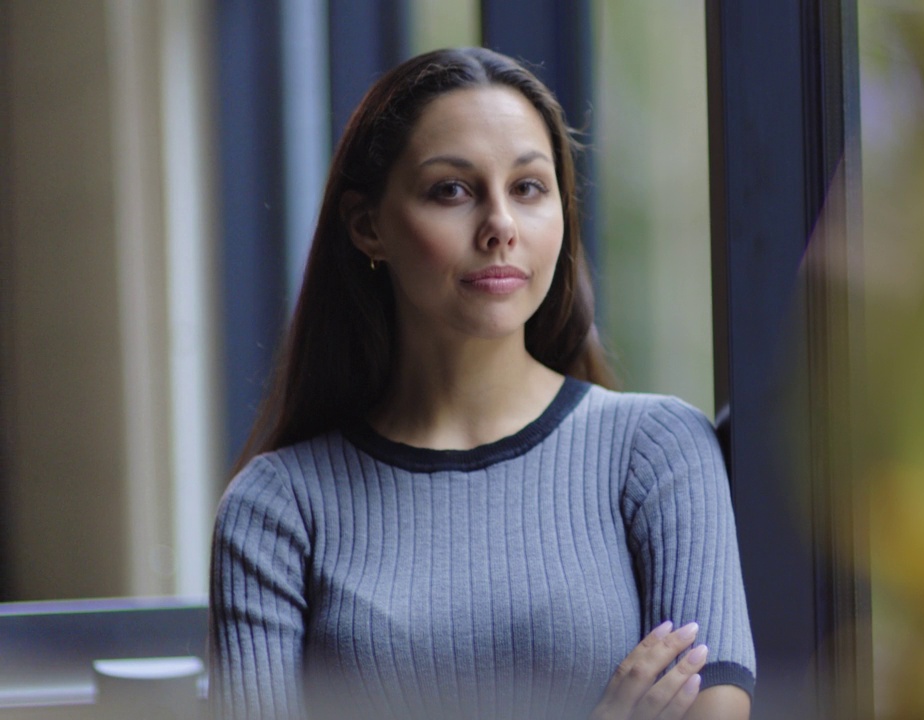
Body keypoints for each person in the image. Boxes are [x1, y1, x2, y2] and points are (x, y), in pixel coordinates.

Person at [208, 47, 755, 720]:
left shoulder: (658, 451)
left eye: (528, 188)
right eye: (453, 191)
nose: (500, 226)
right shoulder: (277, 510)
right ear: (367, 226)